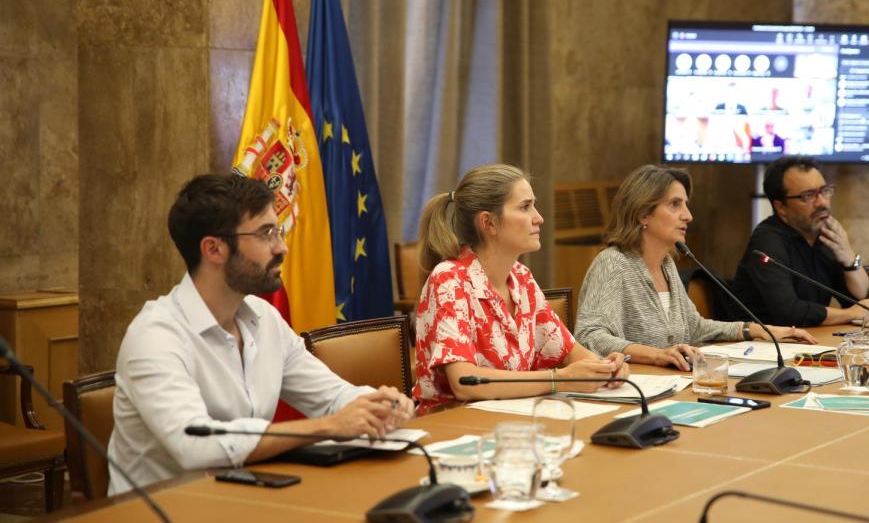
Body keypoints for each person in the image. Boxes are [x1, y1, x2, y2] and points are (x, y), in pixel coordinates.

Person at [107, 174, 414, 495]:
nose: (281, 247)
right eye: (266, 234)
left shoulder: (263, 317)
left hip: (244, 497)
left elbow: (330, 397)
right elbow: (193, 444)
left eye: (277, 231)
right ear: (214, 249)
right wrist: (327, 427)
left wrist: (376, 404)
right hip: (162, 509)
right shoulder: (155, 336)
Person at [414, 164, 629, 415]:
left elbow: (570, 352)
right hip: (454, 426)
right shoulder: (450, 280)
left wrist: (606, 367)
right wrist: (557, 380)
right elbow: (464, 382)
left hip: (515, 419)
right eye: (525, 207)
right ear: (489, 222)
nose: (539, 217)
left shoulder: (520, 276)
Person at [574, 165, 815, 371]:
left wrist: (758, 330)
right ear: (642, 214)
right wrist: (657, 355)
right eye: (674, 205)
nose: (688, 216)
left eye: (685, 205)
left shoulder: (666, 265)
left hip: (675, 383)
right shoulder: (613, 263)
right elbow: (590, 337)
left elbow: (695, 328)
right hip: (635, 389)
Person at [731, 156, 869, 326]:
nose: (822, 202)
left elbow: (864, 300)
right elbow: (788, 312)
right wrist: (849, 314)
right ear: (781, 207)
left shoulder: (824, 235)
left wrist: (849, 257)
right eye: (808, 196)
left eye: (824, 191)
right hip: (761, 346)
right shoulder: (767, 241)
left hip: (809, 339)